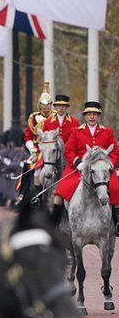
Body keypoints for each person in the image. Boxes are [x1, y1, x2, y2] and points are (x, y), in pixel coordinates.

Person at [52, 100, 119, 233]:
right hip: (78, 168)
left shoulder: (108, 132)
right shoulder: (76, 131)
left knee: (116, 188)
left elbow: (115, 151)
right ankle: (54, 225)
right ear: (85, 116)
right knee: (59, 192)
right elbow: (69, 150)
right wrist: (77, 163)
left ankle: (117, 223)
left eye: (95, 114)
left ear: (99, 116)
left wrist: (110, 164)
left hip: (102, 169)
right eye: (89, 114)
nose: (92, 117)